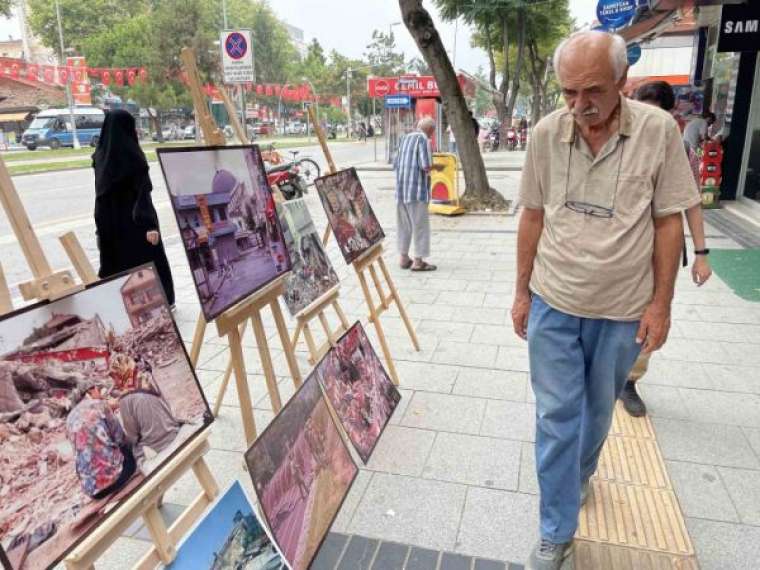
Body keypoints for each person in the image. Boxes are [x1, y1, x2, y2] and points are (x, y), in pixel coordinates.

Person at [512, 31, 700, 569]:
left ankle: (579, 476)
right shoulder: (547, 134)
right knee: (556, 416)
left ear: (622, 82)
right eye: (568, 93)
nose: (578, 106)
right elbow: (532, 216)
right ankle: (556, 530)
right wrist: (521, 293)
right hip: (554, 299)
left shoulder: (659, 131)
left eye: (591, 91)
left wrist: (661, 305)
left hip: (622, 310)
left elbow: (668, 223)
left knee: (595, 416)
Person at [619, 81, 714, 417]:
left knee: (650, 312)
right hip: (618, 249)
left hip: (657, 249)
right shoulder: (619, 142)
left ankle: (630, 378)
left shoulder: (678, 149)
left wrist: (702, 254)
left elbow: (690, 203)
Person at [93, 109, 175, 306]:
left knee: (118, 263)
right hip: (136, 221)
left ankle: (121, 305)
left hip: (110, 222)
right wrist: (150, 225)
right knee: (149, 263)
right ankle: (163, 301)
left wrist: (100, 227)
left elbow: (100, 196)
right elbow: (142, 193)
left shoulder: (100, 157)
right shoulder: (133, 156)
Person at [67, 386, 137, 499]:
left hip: (92, 491)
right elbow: (120, 438)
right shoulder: (100, 405)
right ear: (90, 391)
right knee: (130, 449)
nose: (100, 393)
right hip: (116, 478)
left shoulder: (69, 419)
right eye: (98, 390)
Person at [393, 117, 444, 272]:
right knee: (420, 226)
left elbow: (395, 164)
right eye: (432, 132)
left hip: (401, 190)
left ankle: (403, 258)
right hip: (416, 191)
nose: (432, 135)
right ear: (430, 130)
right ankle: (418, 261)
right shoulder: (423, 140)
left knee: (404, 225)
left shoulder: (404, 139)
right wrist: (438, 167)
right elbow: (426, 166)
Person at [119, 388, 181, 464]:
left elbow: (133, 436)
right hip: (172, 431)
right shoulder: (147, 392)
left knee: (131, 452)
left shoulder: (124, 402)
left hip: (155, 444)